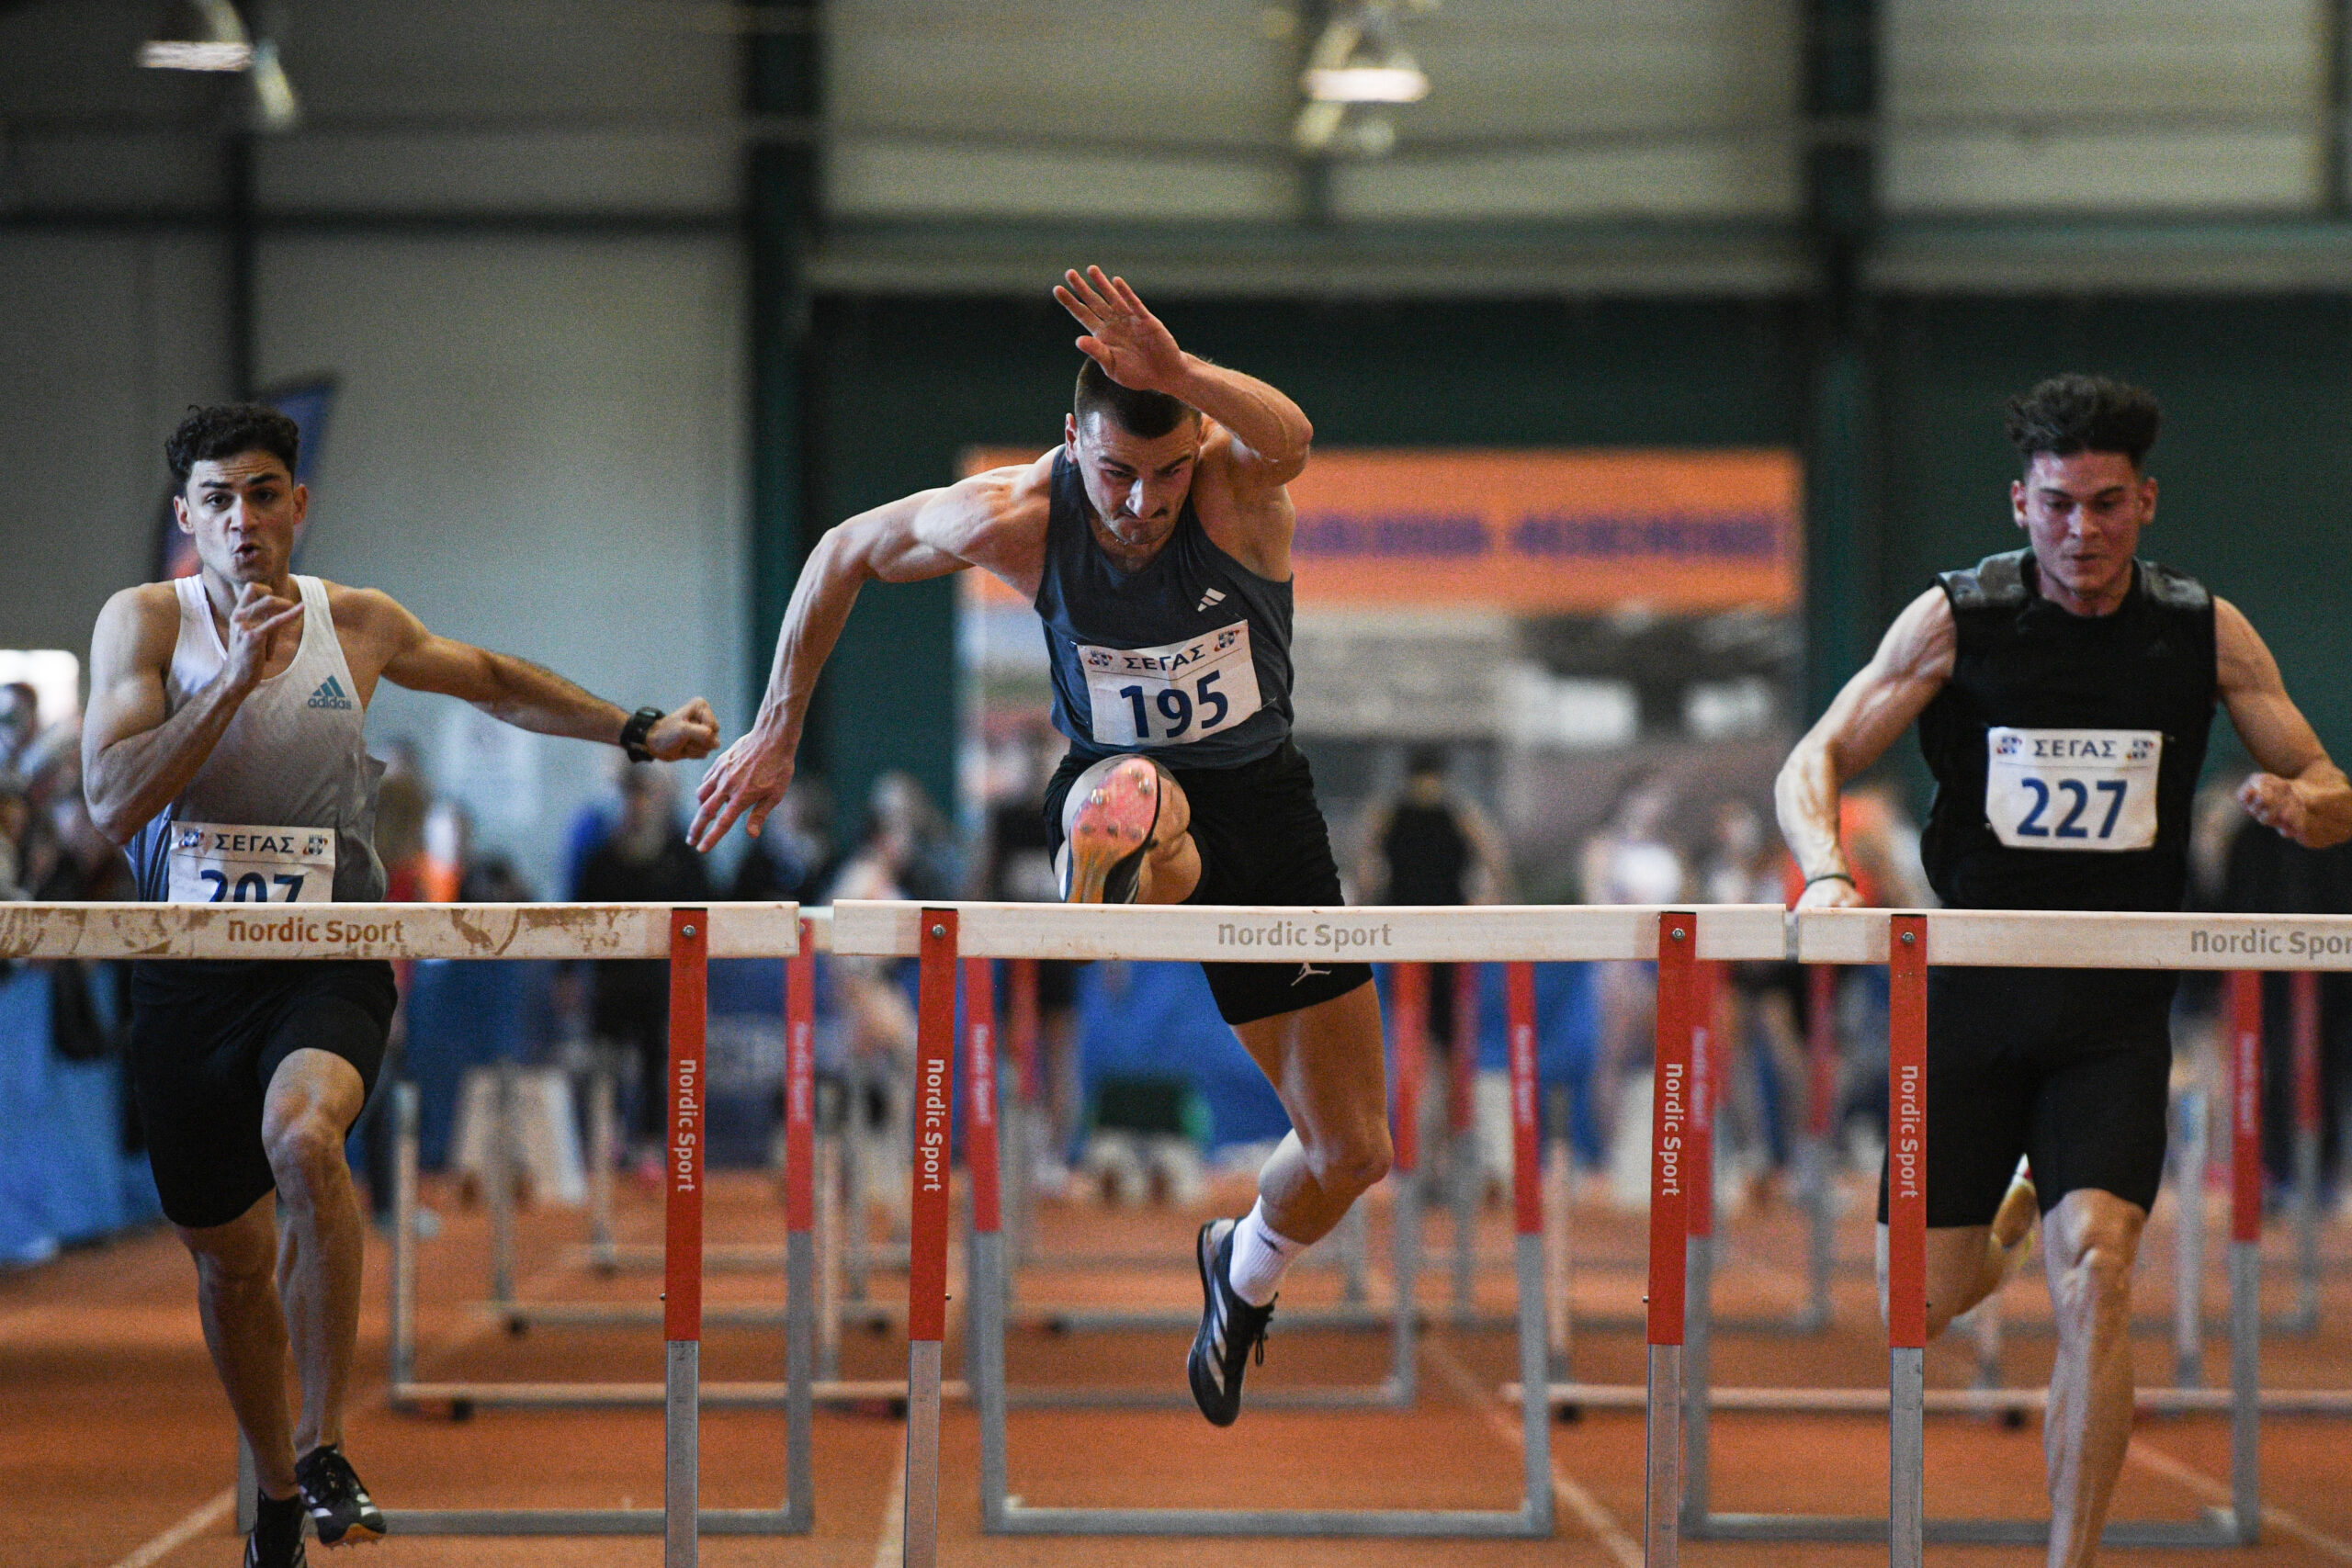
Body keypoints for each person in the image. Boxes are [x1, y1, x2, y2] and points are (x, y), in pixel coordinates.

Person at [692, 266, 1391, 1427]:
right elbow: (841, 549)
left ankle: (1241, 1267)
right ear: (1073, 443)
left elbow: (1294, 434)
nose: (1142, 503)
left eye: (1166, 474)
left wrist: (1177, 377)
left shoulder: (1231, 495)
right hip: (1122, 792)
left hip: (1266, 807)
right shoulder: (1019, 512)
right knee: (1125, 798)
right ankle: (1102, 885)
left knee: (1351, 1150)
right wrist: (777, 727)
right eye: (1117, 473)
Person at [81, 403, 718, 1567]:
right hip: (186, 977)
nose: (243, 522)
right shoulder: (144, 625)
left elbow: (488, 680)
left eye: (264, 494)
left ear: (298, 506)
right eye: (218, 501)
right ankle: (279, 1490)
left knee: (306, 1138)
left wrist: (635, 728)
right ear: (187, 520)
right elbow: (112, 799)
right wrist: (229, 687)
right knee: (228, 1266)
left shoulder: (356, 622)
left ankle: (325, 1446)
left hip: (328, 956)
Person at [1776, 373, 2352, 1568]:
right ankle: (2015, 1204)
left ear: (2144, 502)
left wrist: (2306, 804)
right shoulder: (1955, 619)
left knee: (2100, 1267)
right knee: (1916, 1306)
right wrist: (1828, 870)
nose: (2081, 531)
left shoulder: (2203, 629)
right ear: (2020, 503)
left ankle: (2069, 1555)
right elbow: (1817, 754)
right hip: (1972, 998)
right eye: (2057, 504)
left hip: (2113, 1003)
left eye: (2105, 504)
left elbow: (2334, 788)